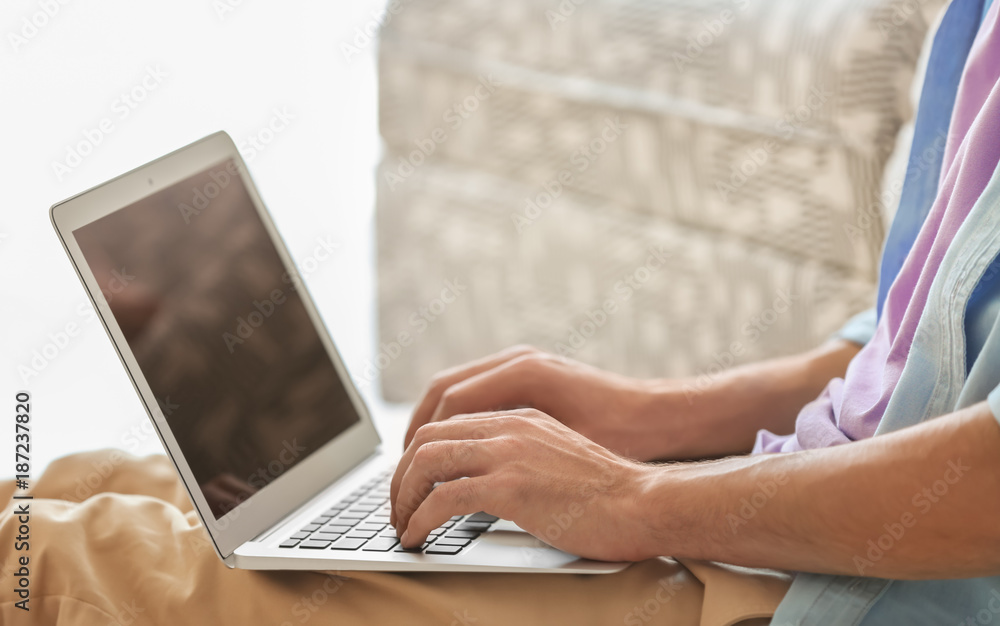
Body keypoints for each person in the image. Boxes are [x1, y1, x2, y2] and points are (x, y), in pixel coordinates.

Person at [4, 0, 999, 623]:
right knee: (66, 486)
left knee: (41, 564)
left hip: (842, 589)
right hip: (778, 504)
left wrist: (635, 500)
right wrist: (644, 417)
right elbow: (911, 350)